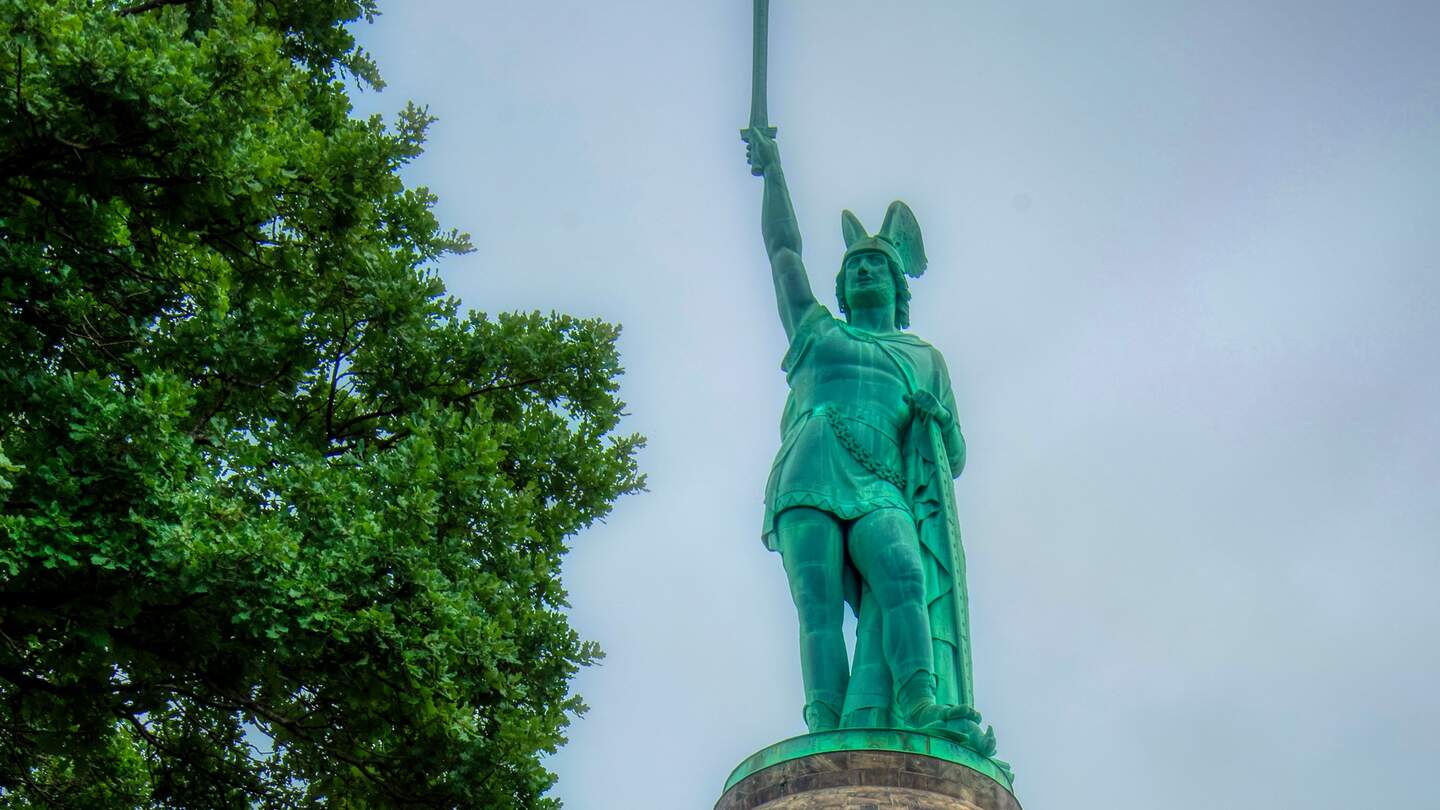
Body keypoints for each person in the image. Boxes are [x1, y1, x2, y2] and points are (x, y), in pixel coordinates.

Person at [745, 127, 995, 756]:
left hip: (881, 482)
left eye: (874, 265)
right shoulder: (817, 333)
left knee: (905, 576)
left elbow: (955, 458)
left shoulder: (923, 358)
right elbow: (782, 253)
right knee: (818, 606)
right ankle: (827, 727)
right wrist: (774, 172)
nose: (862, 271)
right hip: (809, 469)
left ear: (896, 283)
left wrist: (935, 417)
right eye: (854, 264)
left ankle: (920, 701)